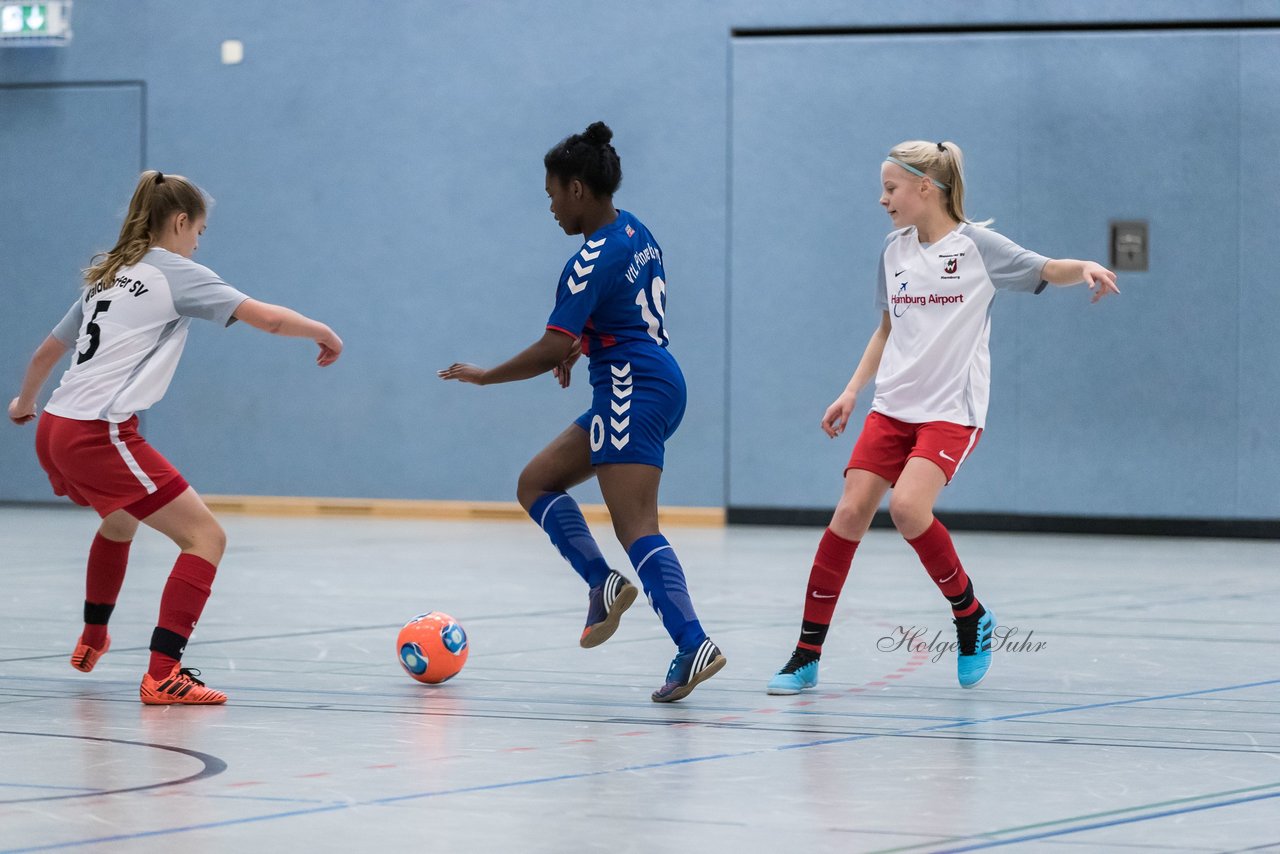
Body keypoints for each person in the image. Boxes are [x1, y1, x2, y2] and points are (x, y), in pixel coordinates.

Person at [766, 140, 1119, 695]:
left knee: (908, 508)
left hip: (952, 411)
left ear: (925, 188)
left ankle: (970, 614)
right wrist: (852, 391)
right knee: (850, 513)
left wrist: (1088, 267)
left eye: (891, 188)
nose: (882, 200)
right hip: (893, 407)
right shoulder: (892, 251)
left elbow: (1046, 267)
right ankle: (805, 655)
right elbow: (887, 329)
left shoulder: (978, 247)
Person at [8, 170, 343, 705]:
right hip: (99, 432)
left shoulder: (109, 275)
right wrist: (322, 331)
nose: (198, 242)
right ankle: (164, 672)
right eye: (200, 231)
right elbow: (270, 320)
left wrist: (24, 404)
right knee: (206, 539)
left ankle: (94, 634)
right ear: (181, 222)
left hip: (54, 427)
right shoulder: (176, 274)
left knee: (119, 521)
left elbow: (45, 354)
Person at [439, 121, 725, 703]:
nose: (548, 208)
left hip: (629, 387)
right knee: (536, 483)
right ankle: (602, 581)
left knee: (636, 524)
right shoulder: (635, 229)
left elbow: (550, 343)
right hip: (651, 377)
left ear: (576, 189)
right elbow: (621, 312)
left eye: (550, 194)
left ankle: (692, 641)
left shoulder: (587, 259)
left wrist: (491, 375)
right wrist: (584, 343)